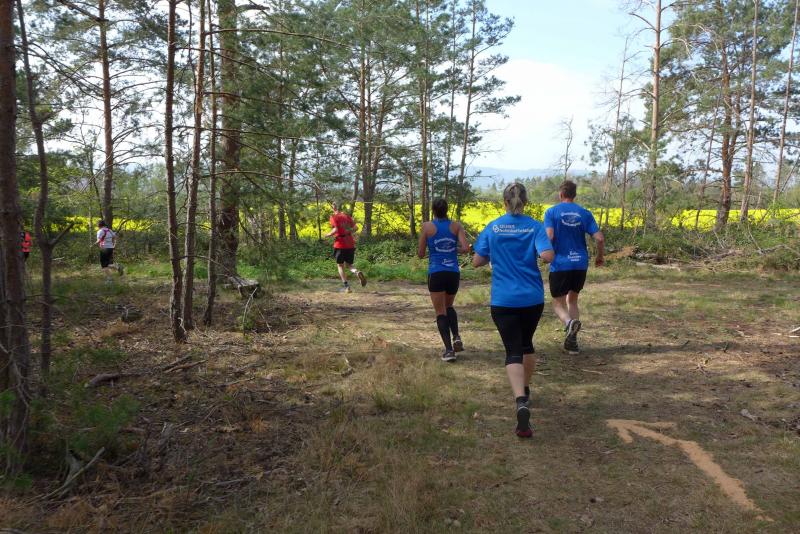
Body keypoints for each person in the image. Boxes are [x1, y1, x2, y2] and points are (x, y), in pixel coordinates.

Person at [473, 183, 554, 438]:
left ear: (504, 202)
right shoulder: (535, 226)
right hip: (531, 298)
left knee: (513, 350)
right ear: (525, 202)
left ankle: (520, 400)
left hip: (503, 299)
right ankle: (525, 390)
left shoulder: (493, 227)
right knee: (527, 344)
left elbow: (477, 261)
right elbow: (548, 256)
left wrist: (494, 253)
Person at [543, 180, 605, 355]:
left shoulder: (551, 212)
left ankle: (569, 323)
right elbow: (600, 238)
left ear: (561, 194)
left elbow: (549, 236)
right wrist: (600, 256)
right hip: (580, 263)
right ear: (574, 195)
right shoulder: (584, 213)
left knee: (558, 303)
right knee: (573, 300)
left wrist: (545, 254)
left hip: (561, 263)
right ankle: (572, 342)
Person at [417, 198, 470, 362]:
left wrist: (433, 250)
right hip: (453, 272)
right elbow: (466, 248)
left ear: (433, 211)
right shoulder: (456, 226)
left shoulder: (427, 227)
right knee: (449, 306)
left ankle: (448, 351)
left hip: (436, 272)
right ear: (447, 210)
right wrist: (453, 248)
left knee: (440, 312)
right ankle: (457, 336)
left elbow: (420, 253)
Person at [325, 202, 366, 293]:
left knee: (340, 265)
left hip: (340, 244)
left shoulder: (333, 217)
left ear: (333, 208)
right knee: (349, 265)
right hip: (350, 243)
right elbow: (356, 228)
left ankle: (347, 287)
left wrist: (328, 234)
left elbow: (335, 229)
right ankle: (356, 272)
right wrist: (348, 232)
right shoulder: (347, 216)